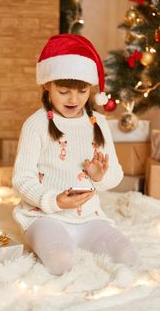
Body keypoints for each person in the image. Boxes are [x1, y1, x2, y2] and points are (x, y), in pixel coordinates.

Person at [12, 34, 138, 275]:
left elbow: (116, 175)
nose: (74, 99)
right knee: (62, 261)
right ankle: (56, 241)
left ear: (91, 89)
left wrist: (99, 176)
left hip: (89, 219)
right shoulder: (35, 125)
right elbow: (21, 179)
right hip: (44, 217)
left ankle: (77, 239)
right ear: (47, 85)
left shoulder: (98, 123)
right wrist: (54, 201)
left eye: (82, 91)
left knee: (128, 257)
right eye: (63, 91)